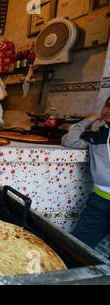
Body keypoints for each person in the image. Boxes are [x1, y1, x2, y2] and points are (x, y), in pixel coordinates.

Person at [62, 96, 110, 255]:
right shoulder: (97, 137)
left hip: (100, 202)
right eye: (108, 106)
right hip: (100, 202)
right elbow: (70, 141)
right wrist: (86, 121)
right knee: (80, 247)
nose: (109, 110)